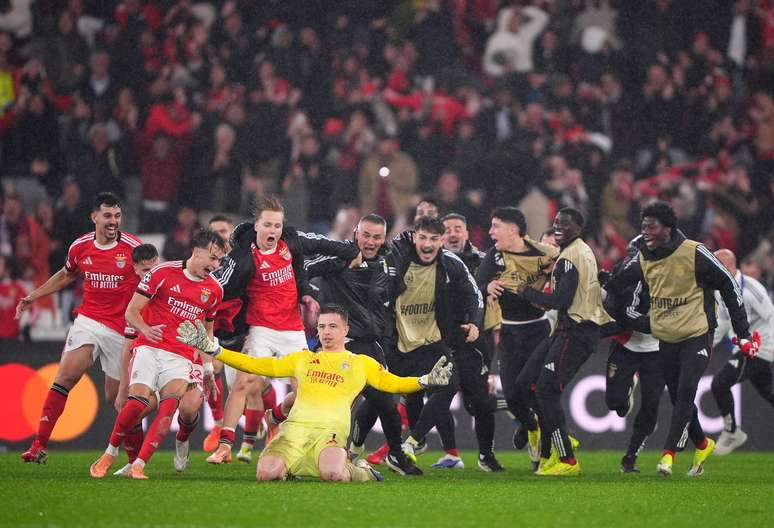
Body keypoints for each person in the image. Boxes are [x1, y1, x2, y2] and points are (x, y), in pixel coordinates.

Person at [176, 305, 453, 482]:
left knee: (333, 474)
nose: (327, 332)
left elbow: (393, 384)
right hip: (294, 432)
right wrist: (215, 350)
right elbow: (256, 364)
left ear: (346, 330)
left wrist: (425, 380)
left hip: (329, 434)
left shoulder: (361, 363)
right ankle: (290, 468)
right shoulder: (303, 359)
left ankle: (362, 471)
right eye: (321, 327)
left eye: (333, 326)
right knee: (265, 474)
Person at [606, 202, 756, 477]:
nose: (646, 232)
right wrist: (600, 283)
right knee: (678, 399)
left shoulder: (695, 252)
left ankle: (668, 456)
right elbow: (616, 283)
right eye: (643, 226)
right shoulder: (645, 258)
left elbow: (729, 285)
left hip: (697, 336)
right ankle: (702, 443)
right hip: (666, 339)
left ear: (668, 229)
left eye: (651, 226)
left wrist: (743, 333)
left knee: (686, 392)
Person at [209, 195, 361, 464]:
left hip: (292, 329)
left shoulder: (291, 243)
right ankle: (224, 446)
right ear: (256, 225)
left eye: (277, 226)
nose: (273, 231)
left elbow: (321, 243)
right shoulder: (244, 257)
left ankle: (277, 417)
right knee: (244, 382)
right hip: (261, 329)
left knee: (309, 389)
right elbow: (217, 288)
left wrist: (353, 251)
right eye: (268, 225)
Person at [89, 230, 226, 479]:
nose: (215, 266)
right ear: (197, 251)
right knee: (137, 404)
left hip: (183, 355)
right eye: (213, 258)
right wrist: (146, 329)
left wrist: (208, 370)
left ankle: (144, 461)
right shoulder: (162, 273)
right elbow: (131, 312)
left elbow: (207, 331)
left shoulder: (215, 291)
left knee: (179, 408)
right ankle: (110, 453)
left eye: (219, 261)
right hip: (150, 347)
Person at [17, 192, 142, 464]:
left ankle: (135, 462)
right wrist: (34, 295)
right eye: (107, 216)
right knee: (65, 377)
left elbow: (152, 282)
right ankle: (39, 443)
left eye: (117, 216)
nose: (113, 222)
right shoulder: (81, 246)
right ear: (94, 217)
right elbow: (66, 274)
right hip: (89, 320)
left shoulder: (134, 248)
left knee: (119, 400)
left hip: (123, 330)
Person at [306, 214, 421, 475]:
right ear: (355, 232)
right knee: (325, 404)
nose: (370, 242)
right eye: (366, 235)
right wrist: (307, 293)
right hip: (337, 344)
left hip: (370, 346)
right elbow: (305, 266)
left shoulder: (387, 262)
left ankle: (395, 454)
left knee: (387, 404)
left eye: (377, 237)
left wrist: (385, 338)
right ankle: (306, 446)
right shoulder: (340, 257)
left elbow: (387, 302)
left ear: (384, 238)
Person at [515, 208, 612, 476]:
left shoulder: (570, 258)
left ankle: (566, 458)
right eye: (556, 223)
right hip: (569, 330)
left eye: (564, 225)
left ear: (578, 229)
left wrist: (526, 292)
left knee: (545, 391)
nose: (558, 227)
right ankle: (551, 450)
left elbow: (560, 301)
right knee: (527, 383)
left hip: (575, 330)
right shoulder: (579, 251)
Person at [385, 216, 483, 467]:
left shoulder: (451, 262)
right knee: (380, 398)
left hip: (432, 342)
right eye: (423, 238)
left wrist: (474, 322)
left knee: (449, 384)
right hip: (397, 343)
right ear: (415, 237)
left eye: (433, 239)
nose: (428, 244)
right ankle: (354, 451)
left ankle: (413, 442)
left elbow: (473, 294)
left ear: (441, 241)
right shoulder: (397, 258)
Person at [476, 207, 558, 469]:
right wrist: (487, 286)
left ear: (513, 229)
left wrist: (553, 275)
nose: (490, 232)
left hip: (538, 331)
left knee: (535, 391)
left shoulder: (543, 254)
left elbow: (565, 276)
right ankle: (531, 427)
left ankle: (545, 456)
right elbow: (477, 282)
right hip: (510, 333)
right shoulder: (495, 256)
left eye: (495, 226)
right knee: (512, 396)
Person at [439, 212, 506, 472]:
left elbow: (503, 286)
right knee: (439, 396)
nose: (453, 233)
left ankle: (486, 455)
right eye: (448, 229)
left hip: (477, 340)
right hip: (442, 338)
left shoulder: (483, 261)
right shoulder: (432, 263)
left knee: (476, 401)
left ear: (467, 234)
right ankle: (428, 448)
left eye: (458, 228)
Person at [599, 240, 664, 474]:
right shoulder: (625, 275)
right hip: (627, 343)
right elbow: (619, 311)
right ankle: (626, 391)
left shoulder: (671, 277)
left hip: (657, 350)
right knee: (615, 403)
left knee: (651, 404)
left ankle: (631, 457)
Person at [710, 249, 773, 455]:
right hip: (746, 348)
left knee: (719, 384)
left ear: (727, 266)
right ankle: (732, 432)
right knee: (769, 393)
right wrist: (704, 347)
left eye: (715, 266)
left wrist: (765, 348)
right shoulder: (722, 290)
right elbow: (721, 323)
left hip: (759, 349)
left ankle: (731, 432)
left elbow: (770, 317)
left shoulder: (751, 289)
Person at [109, 243, 160, 477]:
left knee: (188, 410)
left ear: (159, 262)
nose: (148, 275)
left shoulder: (173, 288)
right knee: (131, 409)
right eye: (143, 271)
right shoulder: (135, 303)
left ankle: (183, 443)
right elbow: (128, 347)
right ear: (135, 270)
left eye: (153, 268)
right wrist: (122, 387)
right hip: (148, 363)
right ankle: (133, 462)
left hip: (177, 362)